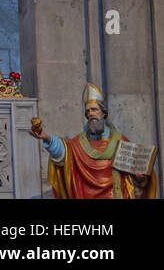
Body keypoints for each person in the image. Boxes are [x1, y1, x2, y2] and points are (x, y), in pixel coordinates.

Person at [28, 82, 157, 198]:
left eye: (94, 110)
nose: (91, 114)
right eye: (88, 111)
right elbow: (64, 152)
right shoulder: (79, 143)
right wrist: (48, 139)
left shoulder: (120, 141)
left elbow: (135, 177)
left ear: (103, 113)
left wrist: (141, 179)